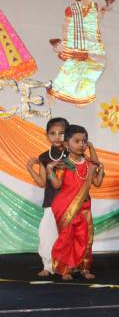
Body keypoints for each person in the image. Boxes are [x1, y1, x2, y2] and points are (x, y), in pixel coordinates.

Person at [48, 125, 105, 280]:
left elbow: (97, 183)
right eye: (77, 141)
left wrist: (101, 170)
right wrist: (49, 171)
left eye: (84, 141)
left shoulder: (89, 164)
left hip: (85, 208)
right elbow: (57, 185)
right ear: (67, 144)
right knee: (67, 239)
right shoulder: (63, 164)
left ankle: (85, 268)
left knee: (86, 238)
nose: (81, 144)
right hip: (66, 208)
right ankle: (64, 269)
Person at [49, 0, 113, 105]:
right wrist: (65, 42)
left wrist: (104, 10)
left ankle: (82, 96)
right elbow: (66, 26)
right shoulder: (72, 8)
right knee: (71, 66)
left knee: (96, 67)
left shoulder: (95, 6)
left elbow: (97, 21)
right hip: (77, 41)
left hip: (93, 41)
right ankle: (54, 91)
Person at [25, 118, 69, 276]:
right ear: (47, 136)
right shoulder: (44, 157)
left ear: (68, 134)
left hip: (70, 202)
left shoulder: (74, 154)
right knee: (47, 234)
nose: (57, 136)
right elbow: (42, 183)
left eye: (62, 133)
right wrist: (30, 167)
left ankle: (67, 266)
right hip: (51, 201)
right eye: (53, 133)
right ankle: (48, 266)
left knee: (68, 235)